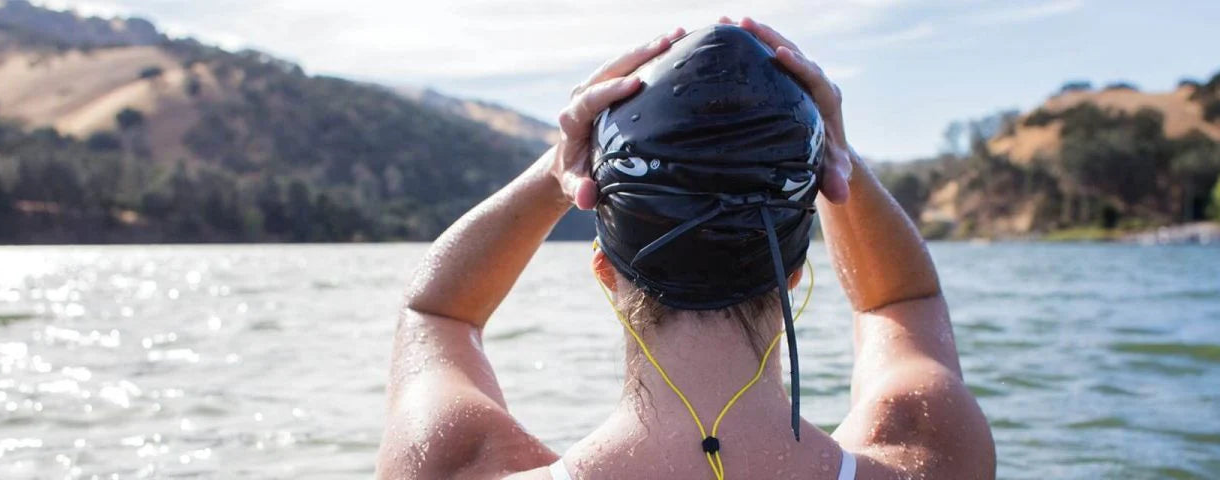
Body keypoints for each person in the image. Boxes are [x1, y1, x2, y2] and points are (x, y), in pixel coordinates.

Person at [377, 17, 994, 480]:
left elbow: (436, 314)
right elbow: (900, 301)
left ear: (604, 270)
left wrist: (558, 168)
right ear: (793, 274)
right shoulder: (930, 456)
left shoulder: (454, 466)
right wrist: (835, 156)